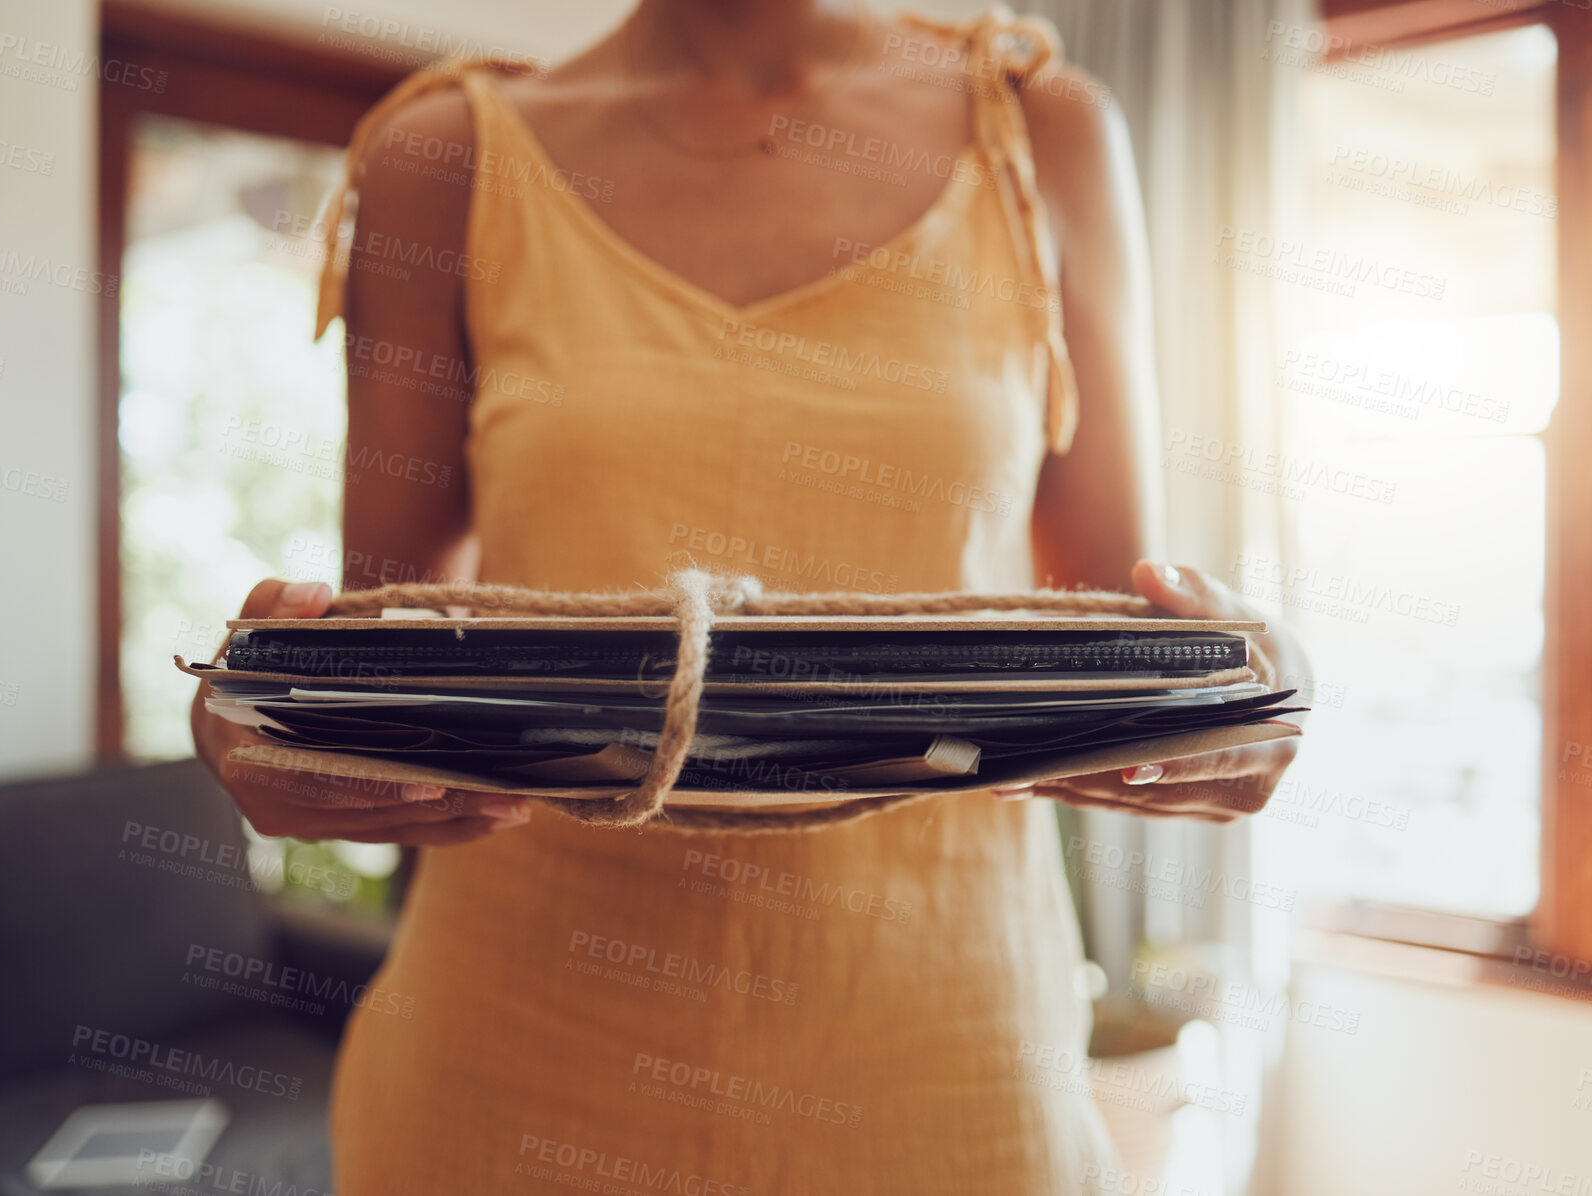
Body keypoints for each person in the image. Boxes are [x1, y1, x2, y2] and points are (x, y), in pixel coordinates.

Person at [191, 1, 1310, 1189]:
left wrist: (1234, 690)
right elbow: (393, 649)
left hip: (945, 1050)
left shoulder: (1044, 133)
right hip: (517, 1048)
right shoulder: (445, 157)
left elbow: (1111, 628)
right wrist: (261, 721)